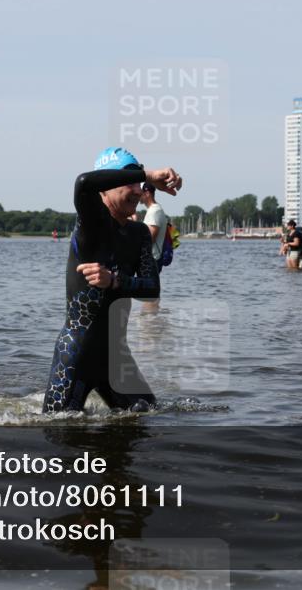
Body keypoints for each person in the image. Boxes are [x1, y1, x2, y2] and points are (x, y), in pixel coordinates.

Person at [42, 148, 181, 413]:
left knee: (150, 418)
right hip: (77, 355)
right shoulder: (91, 225)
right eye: (128, 182)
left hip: (116, 359)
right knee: (58, 432)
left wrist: (116, 281)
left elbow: (152, 290)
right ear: (104, 190)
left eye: (139, 184)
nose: (138, 191)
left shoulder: (139, 233)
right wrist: (149, 174)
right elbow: (84, 183)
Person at [140, 184, 169, 272]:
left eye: (140, 191)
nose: (136, 193)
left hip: (152, 260)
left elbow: (150, 238)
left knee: (149, 285)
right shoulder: (153, 210)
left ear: (147, 193)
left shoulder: (154, 211)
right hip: (151, 259)